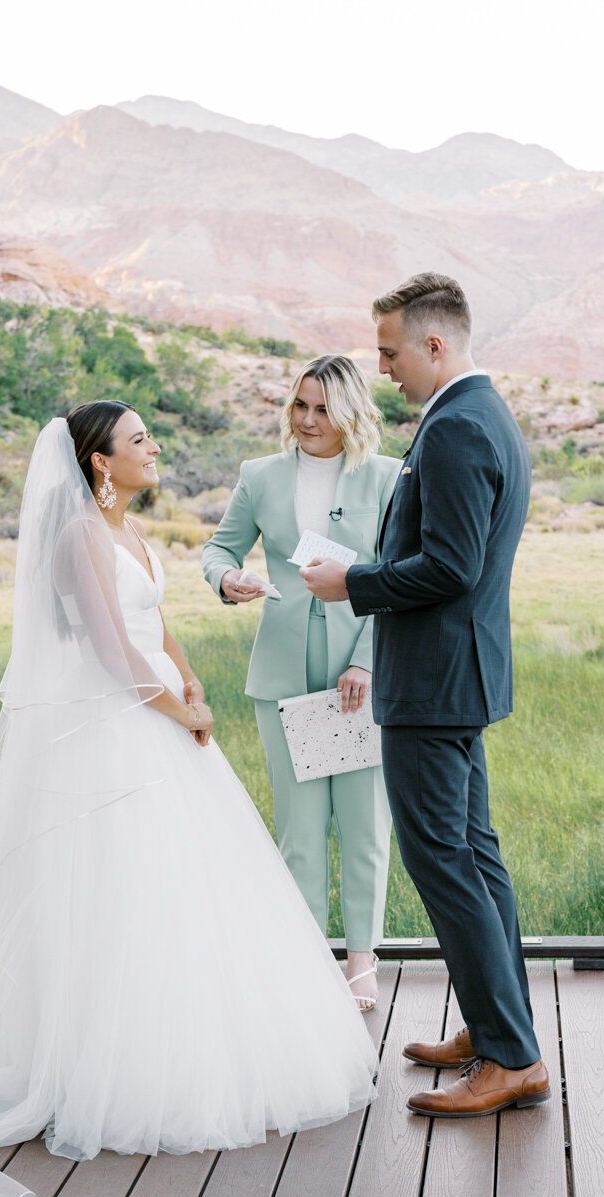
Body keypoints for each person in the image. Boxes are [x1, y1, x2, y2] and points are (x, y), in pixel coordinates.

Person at [0, 402, 378, 1197]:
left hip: (166, 716)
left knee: (188, 892)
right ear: (99, 461)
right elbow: (114, 654)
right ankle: (98, 1063)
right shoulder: (79, 533)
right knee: (117, 888)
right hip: (116, 728)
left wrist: (192, 688)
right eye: (140, 440)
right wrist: (174, 713)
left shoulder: (128, 530)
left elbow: (159, 628)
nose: (155, 447)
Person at [301, 275, 550, 1117]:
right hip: (459, 676)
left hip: (436, 683)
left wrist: (352, 582)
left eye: (389, 351)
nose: (383, 368)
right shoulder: (482, 416)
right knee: (474, 855)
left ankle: (510, 1054)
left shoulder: (453, 431)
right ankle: (494, 1028)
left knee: (442, 859)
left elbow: (452, 565)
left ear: (434, 346)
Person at [202, 356, 401, 1011]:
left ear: (350, 412)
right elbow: (219, 549)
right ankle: (308, 956)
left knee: (365, 823)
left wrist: (367, 659)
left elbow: (400, 575)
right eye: (300, 405)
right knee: (301, 827)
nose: (308, 420)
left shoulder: (386, 477)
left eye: (322, 408)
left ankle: (362, 961)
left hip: (359, 676)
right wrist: (226, 580)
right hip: (283, 672)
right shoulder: (259, 476)